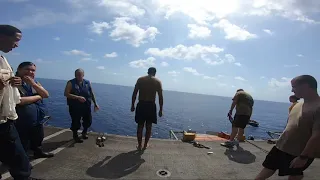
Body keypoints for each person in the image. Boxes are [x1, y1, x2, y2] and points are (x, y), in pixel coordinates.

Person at [255, 75, 320, 180]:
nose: (291, 90)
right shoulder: (298, 105)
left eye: (294, 86)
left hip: (297, 153)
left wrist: (303, 157)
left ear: (306, 86)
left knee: (294, 176)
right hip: (280, 147)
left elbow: (317, 136)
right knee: (262, 175)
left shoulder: (318, 107)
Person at [0, 25, 31, 179]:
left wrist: (14, 81)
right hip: (2, 122)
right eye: (15, 40)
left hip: (4, 116)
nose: (16, 45)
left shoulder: (3, 60)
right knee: (20, 161)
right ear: (2, 36)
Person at [15, 62, 54, 158]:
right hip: (22, 120)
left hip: (37, 118)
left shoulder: (34, 82)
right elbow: (19, 101)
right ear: (19, 70)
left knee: (38, 138)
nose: (30, 72)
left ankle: (38, 152)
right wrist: (38, 97)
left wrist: (32, 84)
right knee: (23, 141)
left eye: (33, 70)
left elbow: (46, 94)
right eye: (27, 69)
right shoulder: (15, 82)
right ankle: (24, 160)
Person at [131, 67, 163, 150]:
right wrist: (161, 109)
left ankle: (139, 145)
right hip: (151, 106)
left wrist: (132, 105)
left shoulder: (140, 80)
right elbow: (160, 97)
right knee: (149, 127)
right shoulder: (157, 82)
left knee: (140, 126)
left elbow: (134, 93)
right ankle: (145, 145)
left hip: (141, 104)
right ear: (155, 73)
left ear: (147, 72)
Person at [64, 68, 99, 143]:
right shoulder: (71, 83)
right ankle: (75, 135)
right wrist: (78, 97)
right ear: (75, 75)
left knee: (88, 121)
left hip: (86, 106)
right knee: (76, 122)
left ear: (83, 75)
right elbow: (66, 94)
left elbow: (92, 93)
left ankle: (84, 132)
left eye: (80, 75)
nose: (79, 76)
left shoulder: (87, 82)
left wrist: (95, 103)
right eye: (77, 75)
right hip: (75, 107)